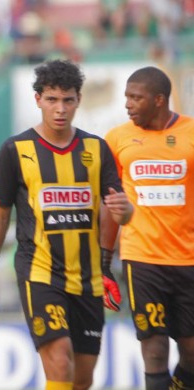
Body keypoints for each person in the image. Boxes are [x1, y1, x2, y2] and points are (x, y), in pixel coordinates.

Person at [0, 59, 133, 390]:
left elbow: (118, 211)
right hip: (40, 274)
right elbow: (0, 217)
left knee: (82, 378)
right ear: (38, 100)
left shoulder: (96, 149)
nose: (60, 109)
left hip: (88, 281)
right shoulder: (15, 150)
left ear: (78, 100)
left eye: (68, 100)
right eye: (52, 99)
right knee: (60, 362)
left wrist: (126, 214)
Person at [101, 66, 194, 390]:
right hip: (142, 260)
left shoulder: (191, 134)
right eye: (127, 96)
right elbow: (109, 205)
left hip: (189, 260)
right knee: (154, 350)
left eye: (136, 98)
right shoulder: (117, 139)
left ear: (159, 100)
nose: (128, 104)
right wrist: (103, 260)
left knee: (191, 353)